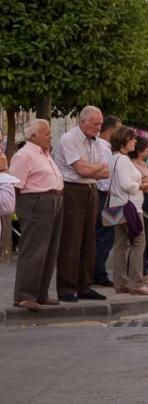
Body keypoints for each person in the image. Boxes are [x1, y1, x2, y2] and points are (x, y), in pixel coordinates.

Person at [52, 106, 110, 302]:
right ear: (83, 121)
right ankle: (67, 287)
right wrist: (94, 170)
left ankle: (84, 285)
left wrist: (92, 170)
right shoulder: (69, 139)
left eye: (100, 124)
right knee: (71, 240)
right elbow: (82, 169)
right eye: (96, 124)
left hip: (91, 189)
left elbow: (105, 170)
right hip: (72, 189)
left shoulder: (98, 143)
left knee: (89, 240)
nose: (99, 127)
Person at [7, 120, 63, 310]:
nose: (50, 136)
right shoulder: (24, 155)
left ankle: (41, 293)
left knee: (50, 250)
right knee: (34, 249)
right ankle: (24, 295)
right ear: (34, 136)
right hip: (36, 202)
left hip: (53, 200)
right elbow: (15, 184)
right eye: (46, 133)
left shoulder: (45, 154)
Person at [107, 127, 148, 295]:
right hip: (130, 206)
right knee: (138, 242)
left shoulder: (112, 159)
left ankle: (120, 282)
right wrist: (142, 186)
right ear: (124, 141)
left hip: (115, 205)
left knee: (120, 244)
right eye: (132, 138)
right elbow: (127, 184)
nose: (135, 141)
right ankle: (136, 282)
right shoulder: (124, 160)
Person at [93, 115, 122, 287]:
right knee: (106, 234)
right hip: (106, 195)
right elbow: (106, 175)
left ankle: (98, 270)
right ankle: (98, 272)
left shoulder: (105, 147)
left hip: (107, 195)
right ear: (111, 131)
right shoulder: (104, 148)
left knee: (107, 234)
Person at [130, 136, 148, 284]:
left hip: (147, 202)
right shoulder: (131, 163)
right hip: (138, 204)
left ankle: (144, 271)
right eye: (146, 147)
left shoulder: (145, 164)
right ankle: (138, 273)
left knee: (146, 241)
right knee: (138, 241)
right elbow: (145, 181)